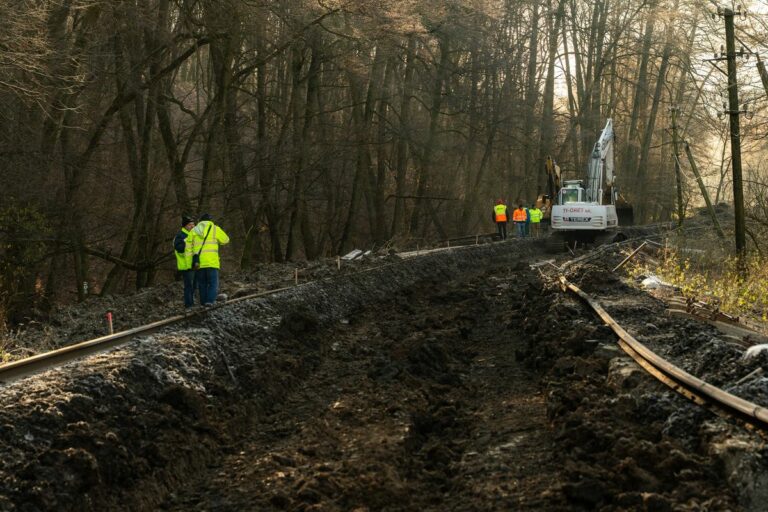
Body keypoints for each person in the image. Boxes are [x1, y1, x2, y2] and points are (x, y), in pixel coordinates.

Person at [191, 213, 230, 306]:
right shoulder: (215, 228)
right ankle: (210, 301)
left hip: (199, 263)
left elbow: (188, 245)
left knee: (202, 284)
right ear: (210, 220)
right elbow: (226, 240)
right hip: (212, 262)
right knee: (213, 284)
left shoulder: (194, 230)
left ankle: (203, 303)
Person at [173, 215, 197, 308]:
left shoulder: (194, 234)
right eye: (190, 224)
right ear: (185, 226)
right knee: (189, 286)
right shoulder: (180, 236)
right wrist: (188, 242)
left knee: (194, 286)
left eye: (193, 224)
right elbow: (178, 248)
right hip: (186, 265)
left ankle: (192, 303)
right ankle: (189, 305)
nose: (192, 226)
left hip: (194, 264)